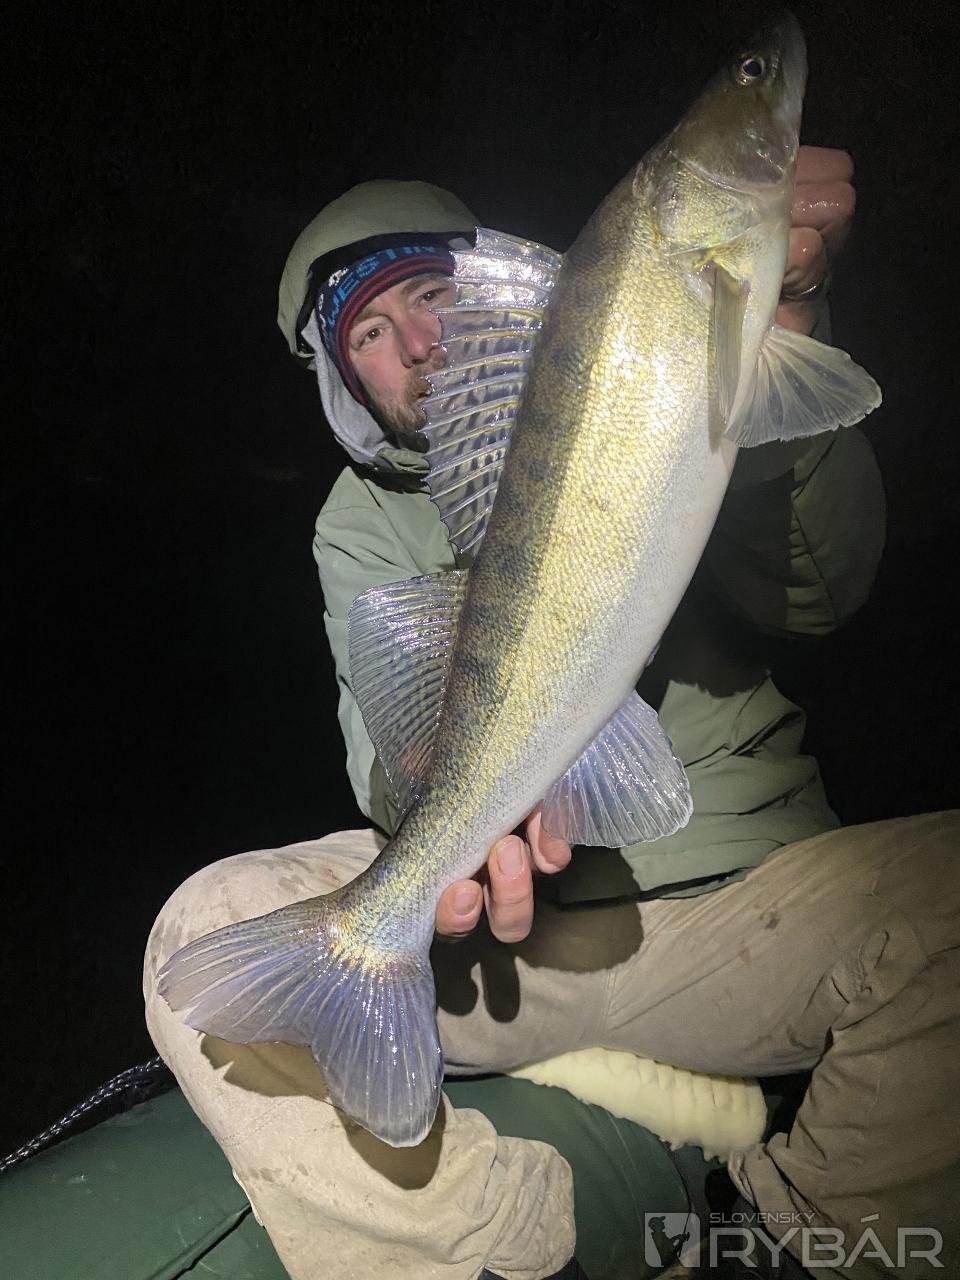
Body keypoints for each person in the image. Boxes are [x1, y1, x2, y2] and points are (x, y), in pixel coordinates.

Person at [144, 155, 960, 1280]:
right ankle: (512, 1253)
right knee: (202, 926)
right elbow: (383, 758)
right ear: (343, 377)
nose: (416, 345)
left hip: (736, 916)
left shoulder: (643, 382)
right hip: (506, 950)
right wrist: (458, 802)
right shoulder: (354, 522)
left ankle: (803, 1248)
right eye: (369, 333)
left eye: (432, 294)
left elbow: (821, 589)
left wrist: (778, 326)